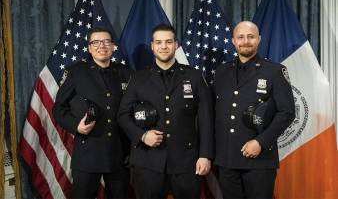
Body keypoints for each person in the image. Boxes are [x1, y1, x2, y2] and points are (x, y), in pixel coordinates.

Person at [117, 23, 213, 199]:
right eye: (159, 42)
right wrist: (142, 136)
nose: (164, 46)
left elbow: (206, 119)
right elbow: (123, 115)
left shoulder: (194, 76)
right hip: (148, 161)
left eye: (168, 42)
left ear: (176, 45)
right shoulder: (138, 78)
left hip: (186, 162)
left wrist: (205, 155)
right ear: (152, 46)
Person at [213, 21, 295, 199]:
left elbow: (287, 112)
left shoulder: (274, 71)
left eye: (251, 37)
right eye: (240, 37)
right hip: (226, 159)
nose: (246, 41)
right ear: (233, 41)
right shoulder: (221, 72)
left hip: (259, 159)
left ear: (259, 40)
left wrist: (260, 142)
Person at [53, 27, 132, 199]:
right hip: (88, 152)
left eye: (106, 41)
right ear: (89, 48)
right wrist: (76, 126)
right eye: (95, 42)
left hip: (119, 153)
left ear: (113, 46)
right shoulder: (76, 72)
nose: (101, 46)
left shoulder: (126, 73)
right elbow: (58, 108)